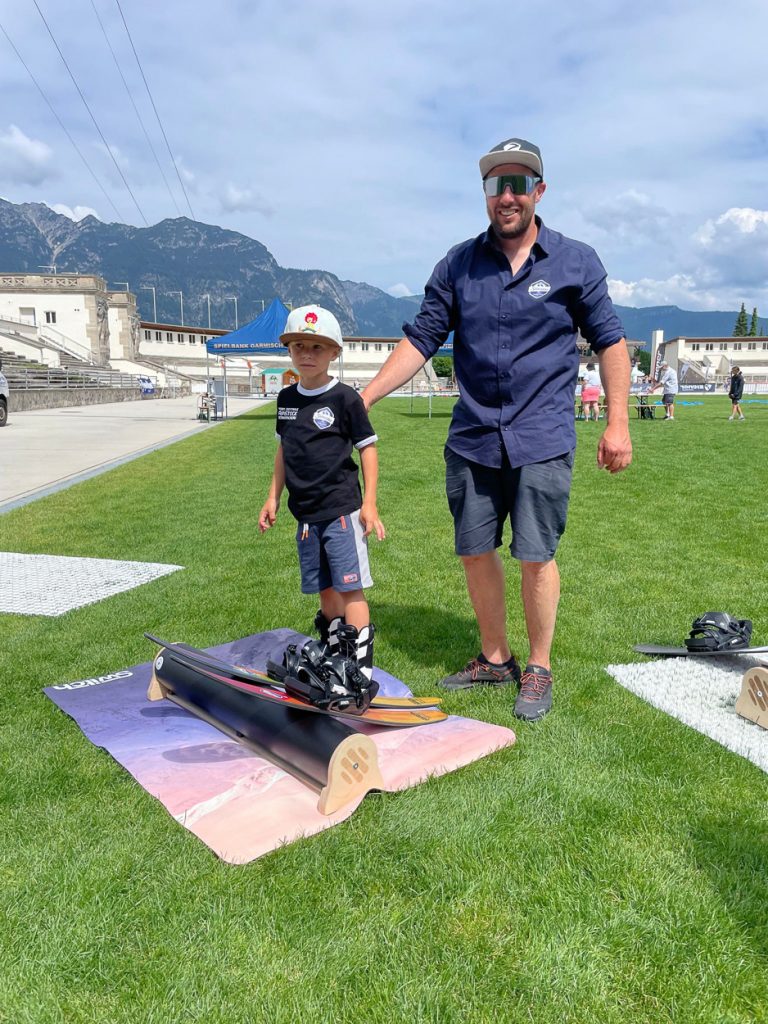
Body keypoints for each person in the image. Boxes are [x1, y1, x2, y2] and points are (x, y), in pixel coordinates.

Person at [361, 137, 632, 721]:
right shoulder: (458, 264)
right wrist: (365, 397)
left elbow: (611, 341)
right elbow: (421, 338)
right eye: (494, 185)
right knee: (475, 550)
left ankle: (538, 666)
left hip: (543, 437)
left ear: (539, 190)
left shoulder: (574, 260)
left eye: (517, 183)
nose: (505, 195)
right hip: (474, 437)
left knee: (536, 554)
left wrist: (617, 423)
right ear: (486, 194)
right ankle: (494, 656)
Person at [259, 305, 386, 680]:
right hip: (305, 514)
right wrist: (272, 497)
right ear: (289, 351)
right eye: (299, 346)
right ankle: (334, 652)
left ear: (334, 353)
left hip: (342, 510)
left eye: (317, 347)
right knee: (325, 588)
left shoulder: (345, 399)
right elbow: (284, 450)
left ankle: (360, 665)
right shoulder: (285, 400)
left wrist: (370, 503)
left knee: (350, 588)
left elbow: (368, 447)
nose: (307, 354)